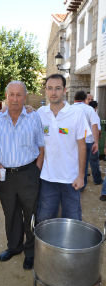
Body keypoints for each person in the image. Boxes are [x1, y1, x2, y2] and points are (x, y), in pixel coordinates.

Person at [0, 80, 44, 270]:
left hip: (29, 173)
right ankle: (14, 247)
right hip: (6, 177)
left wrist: (37, 169)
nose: (14, 98)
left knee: (30, 214)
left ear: (25, 97)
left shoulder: (33, 117)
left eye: (19, 94)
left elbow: (41, 146)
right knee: (10, 212)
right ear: (6, 96)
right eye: (11, 94)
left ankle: (30, 252)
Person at [37, 74, 90, 223]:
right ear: (46, 90)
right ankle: (48, 248)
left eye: (58, 88)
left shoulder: (76, 113)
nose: (53, 92)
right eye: (50, 88)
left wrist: (81, 176)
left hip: (71, 179)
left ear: (65, 90)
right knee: (45, 219)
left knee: (72, 220)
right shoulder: (41, 113)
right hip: (48, 178)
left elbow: (82, 146)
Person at [72, 91, 100, 189]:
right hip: (87, 142)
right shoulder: (89, 109)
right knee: (83, 164)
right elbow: (94, 126)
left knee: (73, 164)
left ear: (74, 99)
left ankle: (72, 184)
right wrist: (96, 142)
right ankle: (81, 186)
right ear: (85, 99)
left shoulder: (69, 109)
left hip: (72, 143)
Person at [88, 100, 103, 185]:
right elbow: (99, 130)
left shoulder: (84, 113)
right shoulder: (95, 115)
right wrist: (98, 139)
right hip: (93, 141)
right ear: (96, 107)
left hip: (84, 140)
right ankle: (97, 180)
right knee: (94, 161)